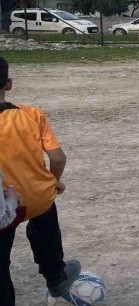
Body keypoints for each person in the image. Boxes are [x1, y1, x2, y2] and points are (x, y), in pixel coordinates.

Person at [0, 56, 81, 304]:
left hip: (3, 206)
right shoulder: (31, 114)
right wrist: (54, 182)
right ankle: (55, 276)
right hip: (34, 197)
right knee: (44, 214)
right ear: (8, 84)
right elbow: (58, 158)